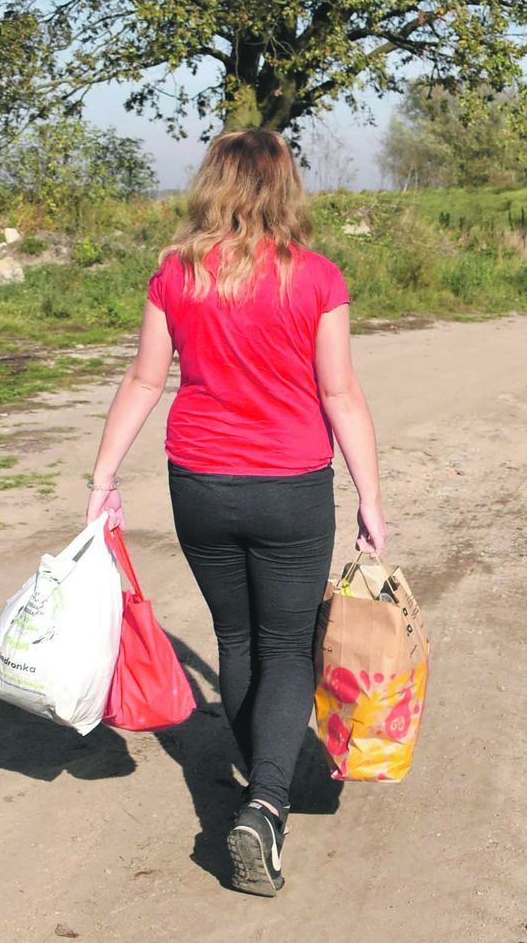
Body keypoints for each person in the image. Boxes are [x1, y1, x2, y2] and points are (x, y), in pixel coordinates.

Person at [84, 127, 386, 897]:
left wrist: (102, 475)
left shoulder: (175, 274)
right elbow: (339, 392)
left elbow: (145, 382)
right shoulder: (317, 277)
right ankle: (267, 800)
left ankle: (263, 769)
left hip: (201, 485)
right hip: (290, 485)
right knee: (286, 647)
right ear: (285, 188)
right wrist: (370, 501)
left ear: (213, 184)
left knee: (237, 637)